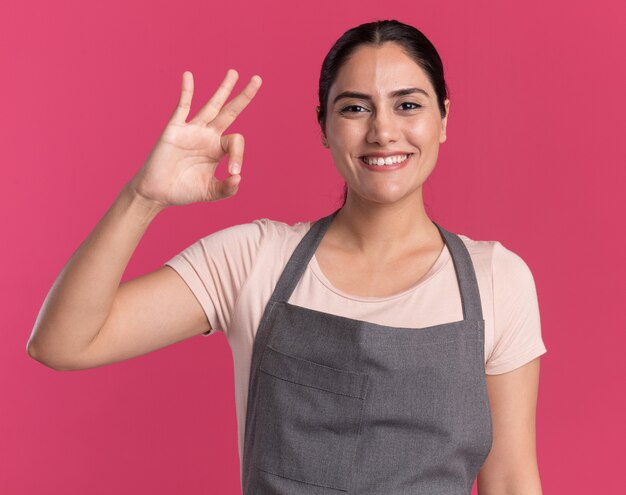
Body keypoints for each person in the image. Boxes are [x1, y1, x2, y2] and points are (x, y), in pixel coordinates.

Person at [27, 19, 547, 495]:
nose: (383, 131)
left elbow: (510, 480)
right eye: (354, 107)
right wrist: (143, 199)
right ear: (323, 126)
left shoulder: (496, 280)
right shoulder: (255, 259)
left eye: (407, 104)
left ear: (443, 119)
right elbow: (63, 343)